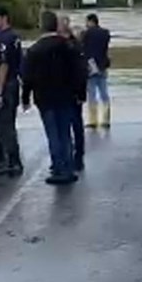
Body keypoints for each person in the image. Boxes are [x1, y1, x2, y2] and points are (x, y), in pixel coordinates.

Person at [22, 11, 84, 186]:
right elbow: (79, 71)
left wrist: (25, 98)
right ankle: (69, 167)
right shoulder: (67, 46)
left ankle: (58, 167)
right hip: (66, 96)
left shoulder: (34, 50)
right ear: (56, 25)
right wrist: (80, 93)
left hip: (45, 98)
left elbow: (27, 77)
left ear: (41, 26)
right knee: (65, 132)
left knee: (53, 133)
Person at [0, 5, 24, 177]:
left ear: (4, 18)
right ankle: (11, 158)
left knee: (4, 124)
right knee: (8, 122)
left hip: (5, 84)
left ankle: (12, 160)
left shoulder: (3, 39)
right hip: (13, 83)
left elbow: (4, 64)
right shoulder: (15, 37)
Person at [59, 15, 87, 173]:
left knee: (74, 125)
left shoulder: (73, 47)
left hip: (72, 92)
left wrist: (81, 94)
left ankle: (76, 157)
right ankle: (71, 157)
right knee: (70, 126)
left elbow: (80, 72)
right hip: (68, 92)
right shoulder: (74, 45)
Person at [82, 13, 112, 129]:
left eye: (87, 22)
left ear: (91, 21)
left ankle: (93, 121)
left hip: (90, 66)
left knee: (92, 95)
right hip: (102, 65)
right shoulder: (105, 33)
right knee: (104, 93)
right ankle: (106, 120)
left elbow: (83, 48)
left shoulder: (86, 34)